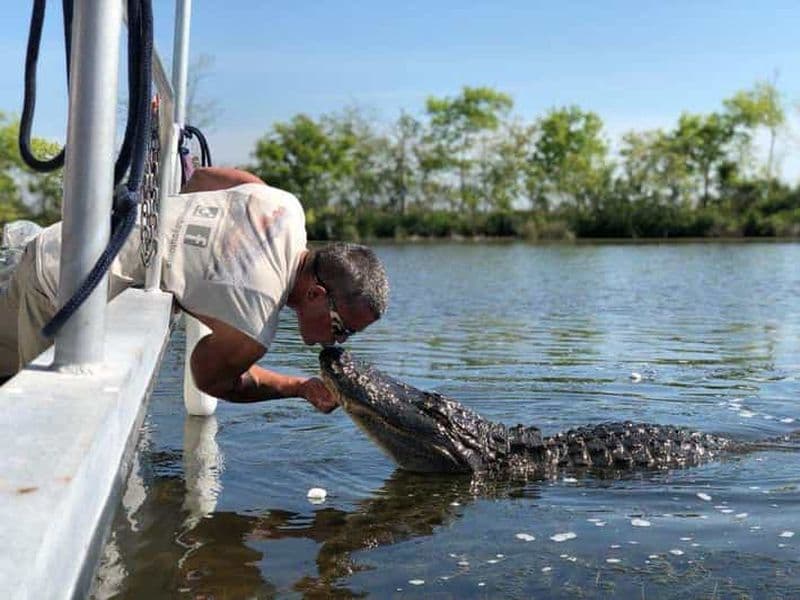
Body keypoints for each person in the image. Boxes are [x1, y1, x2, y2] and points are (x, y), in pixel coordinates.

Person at [0, 167, 390, 412]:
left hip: (54, 241)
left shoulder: (282, 205)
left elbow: (204, 179)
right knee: (41, 418)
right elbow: (212, 379)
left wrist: (187, 250)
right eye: (342, 329)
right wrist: (300, 388)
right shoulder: (255, 322)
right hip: (60, 293)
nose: (335, 343)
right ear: (315, 295)